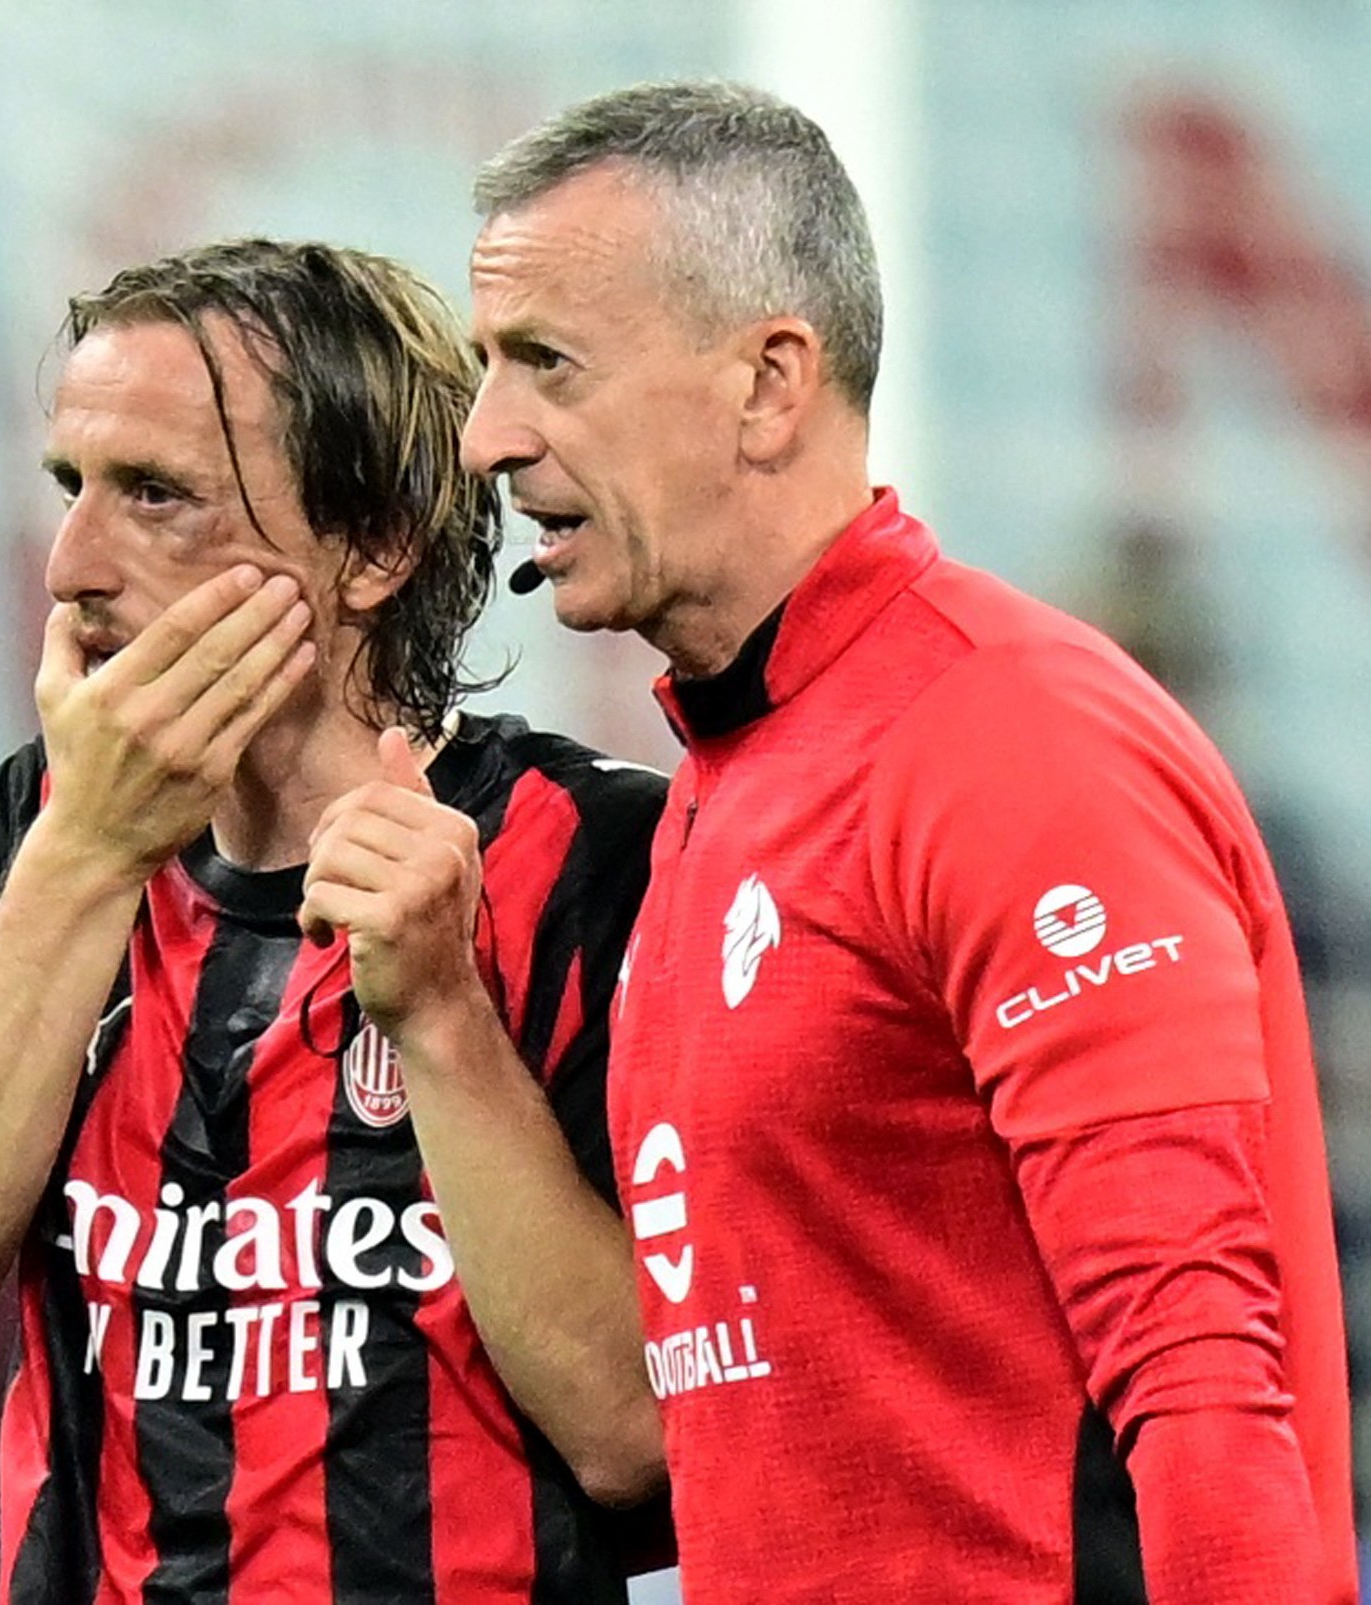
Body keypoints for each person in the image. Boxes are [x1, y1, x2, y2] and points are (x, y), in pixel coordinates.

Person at [462, 79, 1358, 1604]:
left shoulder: (1006, 742)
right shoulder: (719, 797)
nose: (489, 436)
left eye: (547, 363)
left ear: (769, 384)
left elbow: (1204, 1375)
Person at [0, 238, 668, 1604]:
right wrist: (87, 855)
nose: (73, 565)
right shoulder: (43, 826)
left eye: (156, 495)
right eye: (72, 488)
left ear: (374, 547)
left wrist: (443, 1021)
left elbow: (638, 1435)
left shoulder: (601, 858)